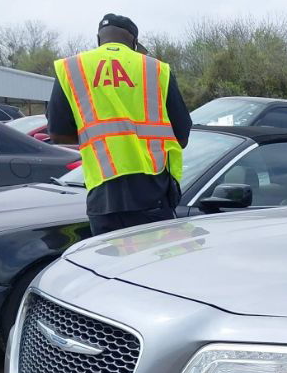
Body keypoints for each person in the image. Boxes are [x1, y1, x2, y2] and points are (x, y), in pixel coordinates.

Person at [47, 14, 192, 235]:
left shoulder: (71, 68)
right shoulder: (156, 69)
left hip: (103, 195)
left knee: (109, 267)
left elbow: (58, 135)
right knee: (150, 265)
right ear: (134, 43)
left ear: (98, 39)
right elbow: (181, 136)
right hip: (152, 194)